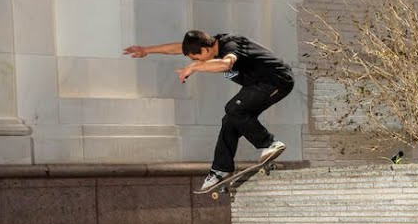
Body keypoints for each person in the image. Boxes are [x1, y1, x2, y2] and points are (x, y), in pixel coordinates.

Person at [123, 30, 294, 191]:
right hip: (258, 85)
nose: (198, 61)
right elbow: (177, 48)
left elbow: (226, 64)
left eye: (197, 57)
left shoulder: (230, 46)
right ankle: (221, 170)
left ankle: (270, 143)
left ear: (205, 49)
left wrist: (194, 68)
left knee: (233, 109)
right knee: (230, 120)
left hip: (276, 80)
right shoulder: (209, 46)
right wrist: (146, 50)